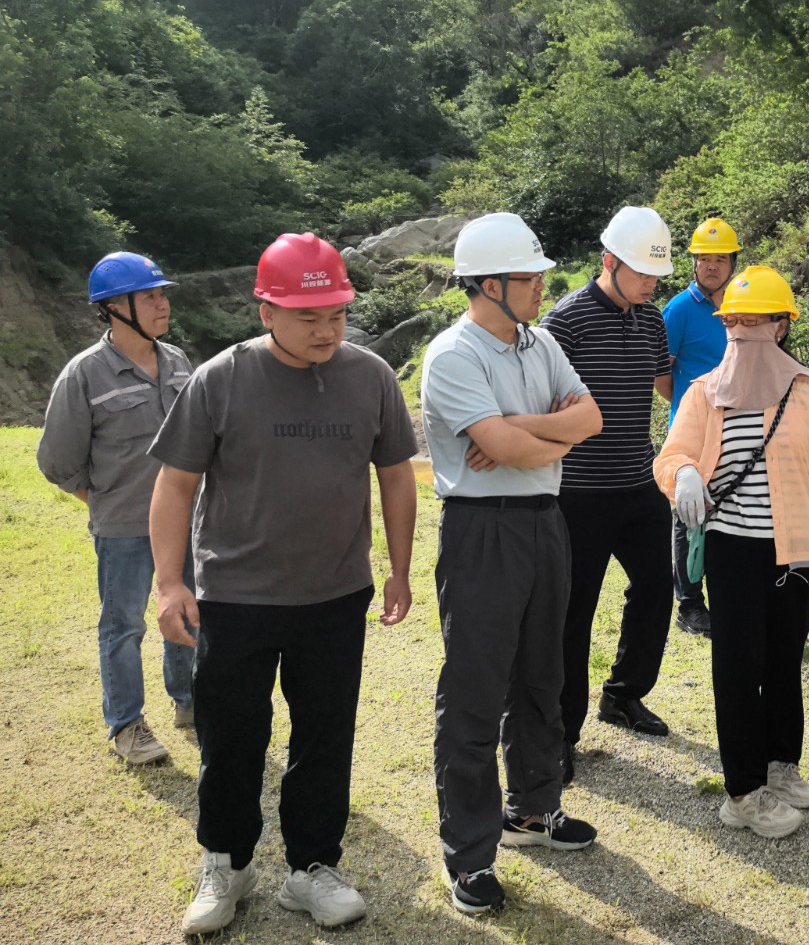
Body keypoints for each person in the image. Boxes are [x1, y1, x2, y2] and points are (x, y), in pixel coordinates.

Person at [148, 233, 418, 936]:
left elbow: (396, 475)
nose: (327, 330)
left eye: (337, 314)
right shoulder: (220, 378)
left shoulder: (371, 377)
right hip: (235, 595)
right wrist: (169, 583)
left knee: (325, 737)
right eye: (308, 317)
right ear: (266, 311)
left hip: (335, 594)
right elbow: (175, 485)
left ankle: (312, 867)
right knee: (231, 738)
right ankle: (226, 862)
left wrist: (398, 569)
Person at [420, 213, 603, 915]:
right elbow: (514, 448)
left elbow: (589, 421)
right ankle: (469, 854)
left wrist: (517, 427)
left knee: (541, 673)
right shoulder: (453, 355)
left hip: (544, 522)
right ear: (488, 284)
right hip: (482, 528)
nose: (540, 286)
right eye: (528, 278)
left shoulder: (542, 341)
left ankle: (533, 808)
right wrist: (532, 435)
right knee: (475, 686)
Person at [654, 266, 809, 839]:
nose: (741, 331)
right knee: (738, 667)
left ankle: (780, 763)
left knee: (784, 661)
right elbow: (670, 456)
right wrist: (684, 473)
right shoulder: (705, 391)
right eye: (732, 322)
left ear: (782, 326)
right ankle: (743, 791)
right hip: (732, 551)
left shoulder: (808, 390)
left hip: (798, 551)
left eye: (754, 321)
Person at [36, 252, 195, 765]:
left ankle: (189, 700)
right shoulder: (84, 374)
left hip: (186, 523)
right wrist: (106, 503)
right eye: (150, 296)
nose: (162, 304)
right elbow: (58, 462)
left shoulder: (179, 362)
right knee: (124, 626)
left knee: (187, 611)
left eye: (162, 294)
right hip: (123, 527)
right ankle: (127, 725)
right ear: (114, 308)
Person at [542, 206, 675, 773]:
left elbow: (663, 386)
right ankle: (560, 733)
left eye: (656, 275)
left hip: (639, 482)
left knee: (658, 587)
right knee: (573, 610)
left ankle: (622, 694)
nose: (649, 284)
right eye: (641, 272)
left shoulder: (653, 319)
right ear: (608, 261)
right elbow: (544, 404)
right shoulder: (565, 321)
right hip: (578, 492)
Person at [660, 216, 742, 636]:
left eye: (720, 259)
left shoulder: (742, 306)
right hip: (691, 431)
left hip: (738, 428)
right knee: (689, 517)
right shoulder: (678, 310)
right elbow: (661, 375)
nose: (711, 266)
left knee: (730, 516)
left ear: (732, 264)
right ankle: (689, 605)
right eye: (704, 258)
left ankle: (729, 599)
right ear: (693, 263)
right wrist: (689, 406)